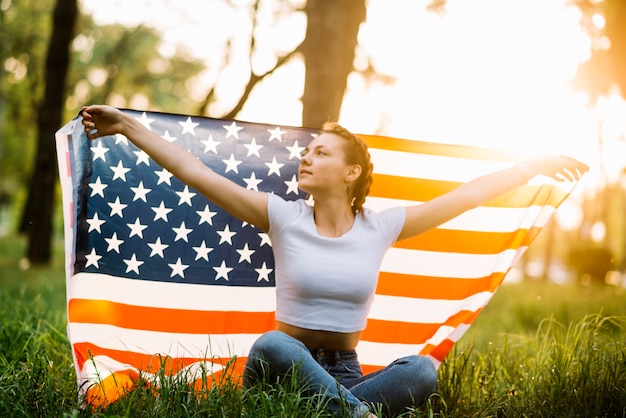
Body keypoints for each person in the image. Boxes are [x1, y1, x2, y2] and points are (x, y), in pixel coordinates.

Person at [80, 105, 588, 417]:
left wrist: (530, 166)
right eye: (309, 151)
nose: (307, 158)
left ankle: (345, 411)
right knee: (274, 343)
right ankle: (361, 417)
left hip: (345, 374)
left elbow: (465, 196)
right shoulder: (281, 216)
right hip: (282, 369)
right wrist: (126, 126)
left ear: (351, 173)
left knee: (422, 372)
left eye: (321, 153)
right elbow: (195, 172)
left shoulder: (382, 226)